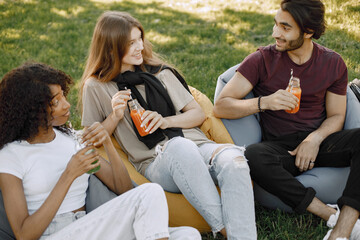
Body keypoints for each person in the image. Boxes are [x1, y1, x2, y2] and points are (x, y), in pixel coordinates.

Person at [80, 11, 256, 239]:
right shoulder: (96, 87)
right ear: (111, 48)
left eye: (139, 39)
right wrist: (115, 115)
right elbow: (92, 139)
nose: (139, 47)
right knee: (179, 147)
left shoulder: (158, 73)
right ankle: (224, 228)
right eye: (130, 43)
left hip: (199, 147)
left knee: (235, 160)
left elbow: (197, 114)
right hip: (156, 162)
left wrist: (165, 121)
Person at [0, 62, 201, 240]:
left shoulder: (69, 138)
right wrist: (68, 175)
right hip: (56, 233)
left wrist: (107, 143)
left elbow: (122, 189)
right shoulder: (11, 155)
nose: (67, 104)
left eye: (63, 95)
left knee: (188, 235)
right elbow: (24, 234)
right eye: (56, 102)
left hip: (90, 226)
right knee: (150, 192)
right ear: (32, 111)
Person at [213, 0, 360, 239]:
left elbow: (337, 116)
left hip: (321, 142)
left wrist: (315, 138)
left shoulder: (332, 63)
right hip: (282, 149)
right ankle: (328, 214)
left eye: (285, 27)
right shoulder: (262, 59)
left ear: (308, 31)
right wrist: (265, 102)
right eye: (275, 25)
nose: (275, 33)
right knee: (253, 156)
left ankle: (344, 227)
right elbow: (220, 106)